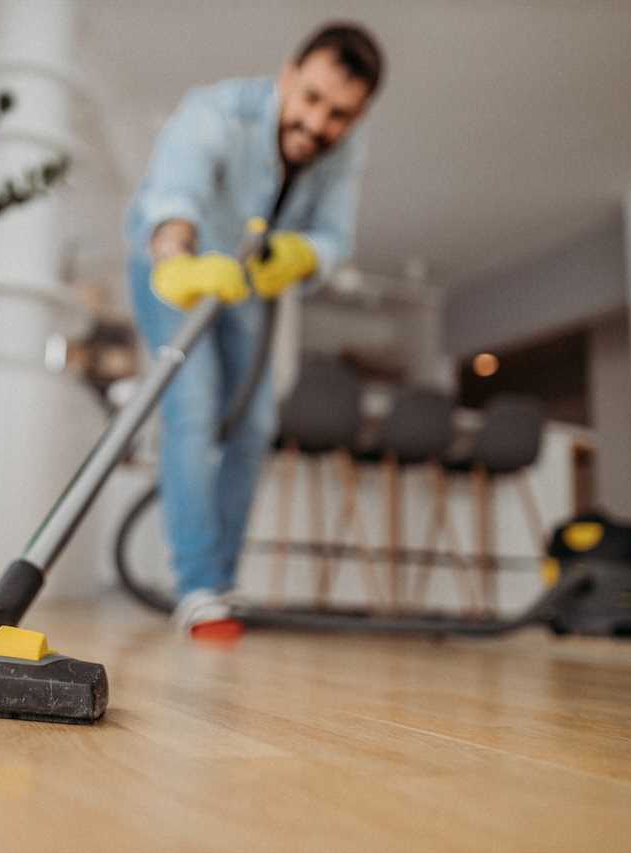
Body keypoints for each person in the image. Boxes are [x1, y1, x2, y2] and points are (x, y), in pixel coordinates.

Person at [124, 22, 384, 633]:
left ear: (359, 114)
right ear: (288, 76)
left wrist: (304, 256)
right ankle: (196, 586)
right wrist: (176, 257)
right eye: (313, 100)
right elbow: (176, 194)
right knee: (191, 406)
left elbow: (333, 238)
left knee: (254, 421)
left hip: (246, 279)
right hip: (177, 266)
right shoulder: (215, 111)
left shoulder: (345, 152)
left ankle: (219, 581)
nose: (320, 124)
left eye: (340, 114)